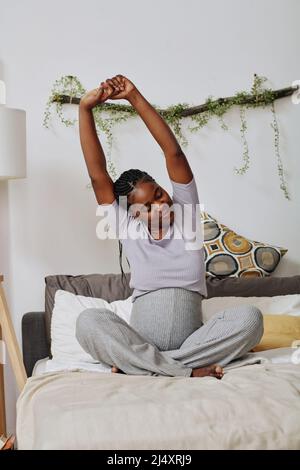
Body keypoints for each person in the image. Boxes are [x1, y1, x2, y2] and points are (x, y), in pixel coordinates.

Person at [76, 74, 263, 379]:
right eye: (148, 207)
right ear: (134, 214)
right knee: (88, 321)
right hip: (143, 339)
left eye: (160, 194)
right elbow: (98, 177)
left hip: (193, 342)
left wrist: (134, 96)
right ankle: (184, 371)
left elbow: (173, 153)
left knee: (251, 319)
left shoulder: (186, 213)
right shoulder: (128, 229)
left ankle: (144, 365)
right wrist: (85, 110)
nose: (161, 205)